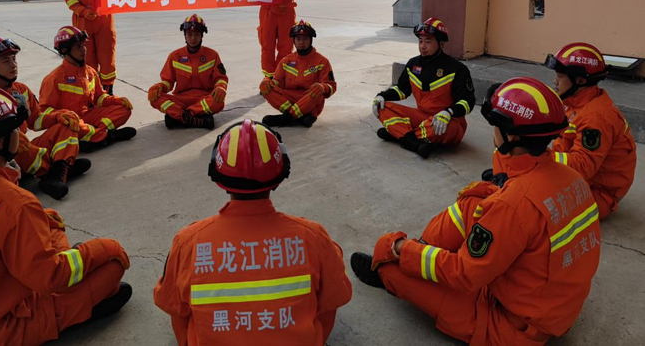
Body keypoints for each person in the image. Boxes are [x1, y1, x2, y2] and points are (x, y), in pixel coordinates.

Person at [351, 77, 601, 345]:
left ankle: (397, 263)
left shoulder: (513, 204)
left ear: (512, 135)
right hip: (546, 303)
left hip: (512, 325)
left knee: (391, 268)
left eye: (495, 125)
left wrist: (399, 248)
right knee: (475, 200)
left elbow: (464, 274)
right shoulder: (570, 176)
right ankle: (427, 248)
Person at [0, 86, 132, 345]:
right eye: (15, 130)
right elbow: (49, 279)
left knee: (51, 223)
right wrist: (106, 247)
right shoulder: (13, 202)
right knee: (113, 267)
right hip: (3, 327)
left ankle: (71, 271)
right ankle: (73, 313)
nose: (20, 135)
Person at [154, 119, 352, 345]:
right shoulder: (313, 237)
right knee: (329, 255)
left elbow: (173, 307)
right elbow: (333, 301)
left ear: (217, 173)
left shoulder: (189, 241)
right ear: (281, 172)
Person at [0, 36, 91, 200]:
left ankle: (57, 175)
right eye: (6, 61)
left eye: (14, 59)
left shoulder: (21, 89)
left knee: (68, 123)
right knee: (14, 139)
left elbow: (35, 120)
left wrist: (57, 115)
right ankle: (59, 168)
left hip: (27, 151)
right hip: (7, 159)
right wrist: (5, 140)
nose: (14, 65)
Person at [545, 42, 637, 219]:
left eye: (560, 76)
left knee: (531, 207)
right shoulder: (573, 101)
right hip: (575, 180)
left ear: (580, 80)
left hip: (597, 193)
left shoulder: (596, 117)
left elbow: (582, 166)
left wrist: (540, 158)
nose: (554, 81)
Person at [373, 18, 475, 158]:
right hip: (422, 117)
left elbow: (468, 102)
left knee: (444, 128)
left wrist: (449, 112)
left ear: (442, 43)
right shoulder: (413, 64)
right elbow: (402, 90)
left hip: (448, 121)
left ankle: (399, 135)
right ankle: (414, 141)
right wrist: (382, 95)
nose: (422, 46)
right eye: (420, 41)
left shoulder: (457, 69)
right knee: (382, 107)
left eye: (428, 41)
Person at [39, 26, 135, 153]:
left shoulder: (90, 72)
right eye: (78, 47)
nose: (84, 49)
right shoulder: (54, 78)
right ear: (65, 50)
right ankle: (106, 136)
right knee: (73, 126)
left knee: (124, 110)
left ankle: (96, 136)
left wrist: (116, 100)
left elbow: (99, 98)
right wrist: (61, 116)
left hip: (86, 116)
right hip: (69, 121)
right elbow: (44, 110)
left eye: (84, 45)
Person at [148, 14, 228, 130]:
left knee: (218, 102)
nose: (193, 38)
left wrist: (221, 88)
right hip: (181, 99)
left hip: (204, 98)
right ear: (184, 35)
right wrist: (159, 87)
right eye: (189, 34)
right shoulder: (174, 56)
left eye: (196, 35)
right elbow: (168, 82)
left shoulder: (212, 55)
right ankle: (197, 119)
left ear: (202, 36)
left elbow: (220, 78)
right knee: (154, 98)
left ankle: (180, 118)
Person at [260, 20, 336, 128]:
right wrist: (266, 81)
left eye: (305, 39)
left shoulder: (322, 61)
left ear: (311, 40)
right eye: (298, 39)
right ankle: (301, 118)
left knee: (317, 91)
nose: (301, 42)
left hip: (311, 101)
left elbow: (331, 86)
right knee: (266, 89)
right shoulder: (286, 61)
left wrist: (323, 87)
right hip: (291, 99)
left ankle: (287, 118)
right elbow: (276, 84)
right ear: (294, 41)